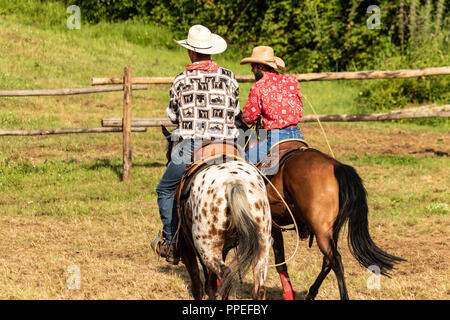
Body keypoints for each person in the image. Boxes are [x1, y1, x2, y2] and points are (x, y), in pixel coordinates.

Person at [152, 25, 241, 265]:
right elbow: (236, 111)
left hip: (192, 143)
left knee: (165, 189)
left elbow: (172, 116)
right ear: (210, 51)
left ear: (191, 52)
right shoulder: (229, 76)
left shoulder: (181, 80)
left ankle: (171, 241)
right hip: (229, 143)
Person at [240, 46, 305, 164]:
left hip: (275, 138)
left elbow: (248, 118)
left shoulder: (258, 86)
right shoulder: (291, 80)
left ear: (260, 66)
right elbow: (299, 105)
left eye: (253, 67)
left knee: (242, 163)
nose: (252, 70)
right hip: (297, 134)